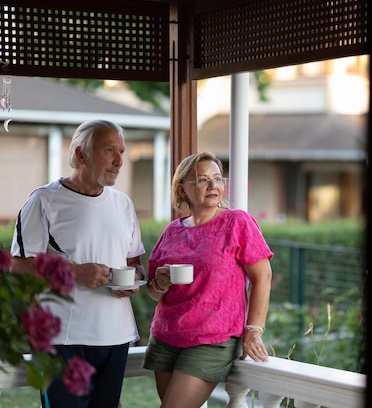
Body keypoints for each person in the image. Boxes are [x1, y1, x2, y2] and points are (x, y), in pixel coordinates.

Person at [11, 119, 146, 408]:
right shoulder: (45, 200)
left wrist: (133, 279)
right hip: (62, 339)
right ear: (81, 154)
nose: (119, 160)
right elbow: (18, 266)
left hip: (116, 336)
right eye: (110, 150)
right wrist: (74, 273)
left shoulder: (123, 203)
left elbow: (134, 261)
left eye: (121, 151)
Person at [142, 151, 273, 408]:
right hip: (165, 337)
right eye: (203, 180)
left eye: (218, 178)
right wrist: (159, 282)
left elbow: (263, 276)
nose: (214, 186)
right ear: (183, 189)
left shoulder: (237, 222)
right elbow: (152, 292)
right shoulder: (172, 231)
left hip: (211, 340)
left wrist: (253, 331)